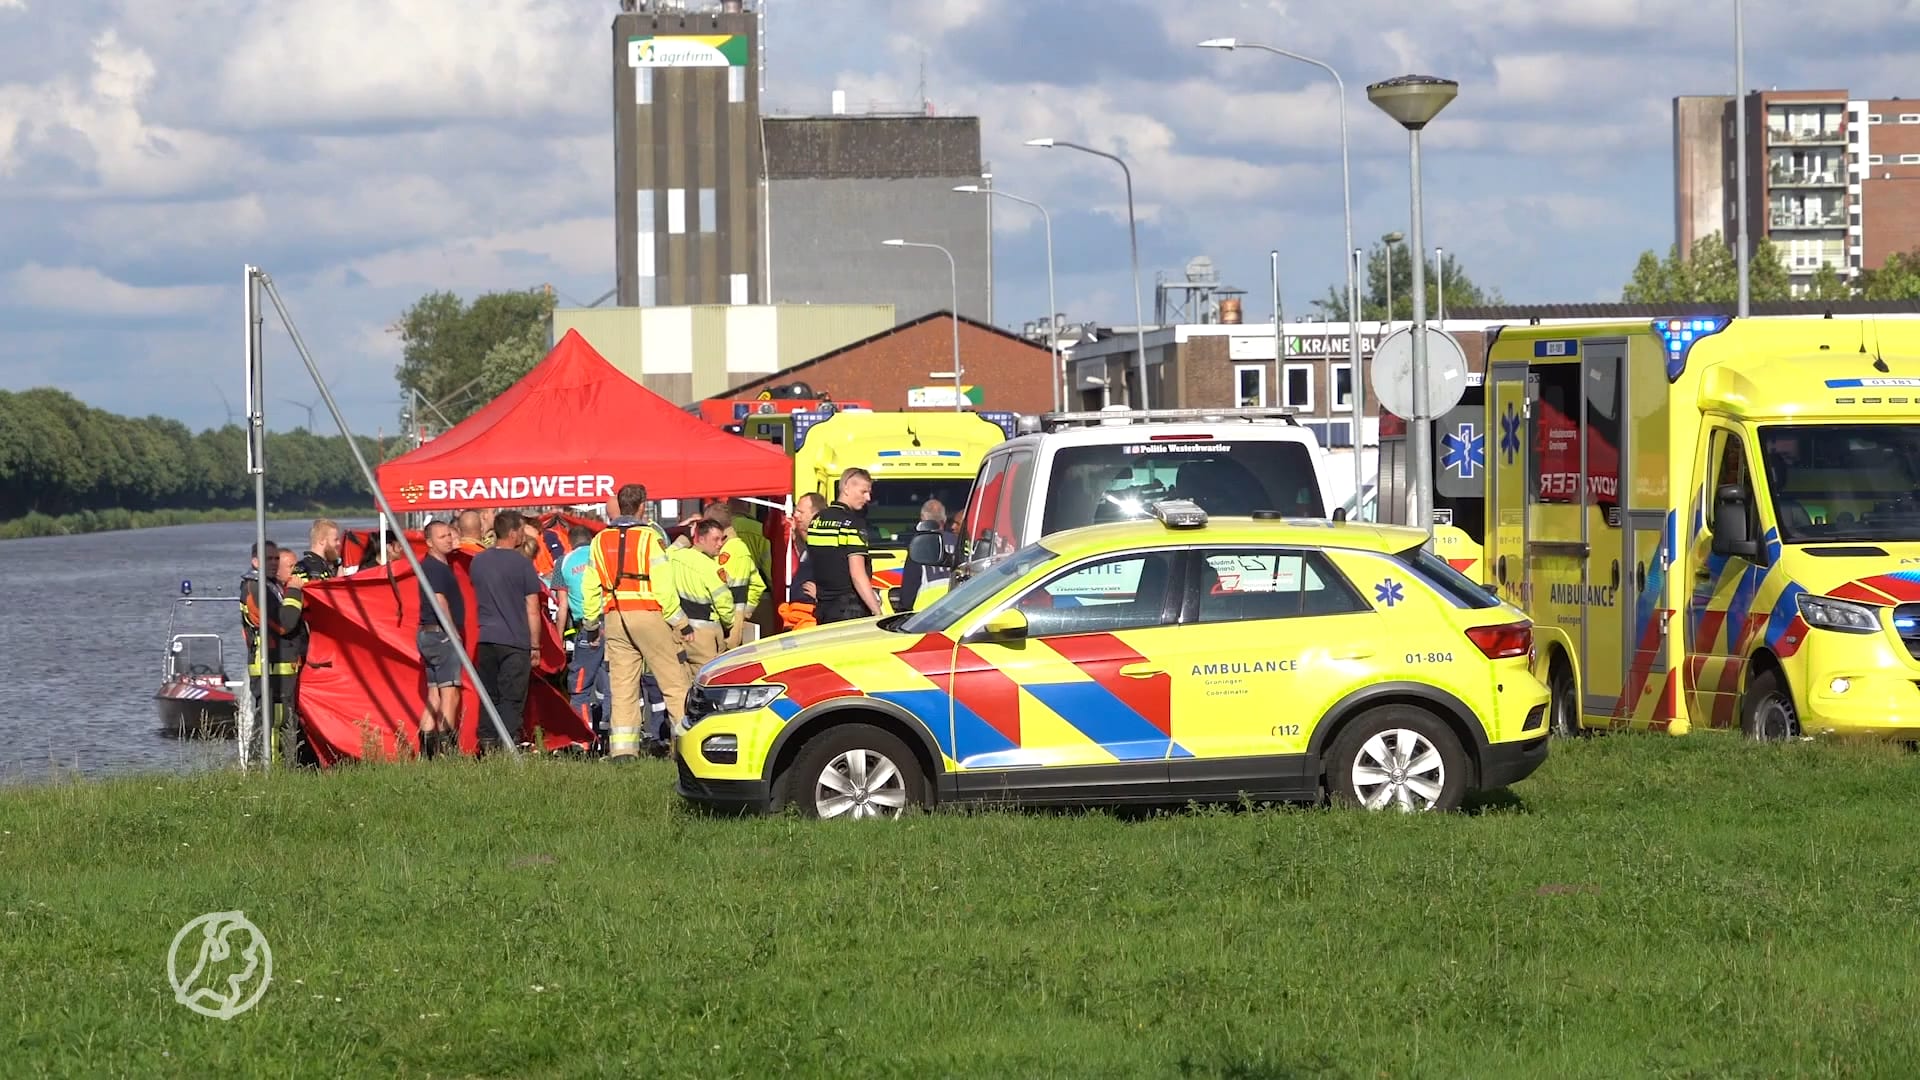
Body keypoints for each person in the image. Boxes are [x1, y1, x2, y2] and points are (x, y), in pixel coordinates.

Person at [588, 482, 693, 760]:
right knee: (673, 681)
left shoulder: (599, 540)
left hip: (614, 617)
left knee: (623, 685)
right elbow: (663, 586)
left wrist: (590, 625)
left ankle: (623, 751)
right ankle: (687, 745)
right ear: (642, 506)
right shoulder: (649, 538)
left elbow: (590, 586)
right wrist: (680, 622)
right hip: (648, 614)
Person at [467, 509, 544, 754]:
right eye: (521, 530)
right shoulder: (523, 564)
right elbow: (533, 609)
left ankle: (487, 743)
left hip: (486, 638)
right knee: (512, 696)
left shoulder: (478, 561)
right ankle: (508, 745)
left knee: (489, 694)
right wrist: (535, 646)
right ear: (513, 533)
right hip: (515, 640)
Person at [240, 541, 306, 760]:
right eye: (268, 559)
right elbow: (284, 622)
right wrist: (295, 592)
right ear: (255, 561)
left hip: (280, 665)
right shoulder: (256, 587)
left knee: (282, 721)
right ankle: (263, 771)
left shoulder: (271, 586)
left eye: (276, 559)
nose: (273, 563)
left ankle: (282, 771)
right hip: (268, 666)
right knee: (269, 722)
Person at [551, 524, 609, 739]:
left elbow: (562, 606)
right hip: (611, 623)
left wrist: (558, 640)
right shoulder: (602, 556)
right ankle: (608, 733)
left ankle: (584, 740)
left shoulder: (563, 562)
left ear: (569, 542)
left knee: (580, 686)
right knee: (610, 681)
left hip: (587, 628)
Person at [415, 520, 466, 759]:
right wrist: (453, 632)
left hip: (428, 634)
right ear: (429, 543)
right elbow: (439, 599)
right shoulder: (435, 567)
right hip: (440, 635)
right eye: (441, 536)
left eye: (449, 535)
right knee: (450, 693)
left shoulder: (437, 564)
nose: (447, 539)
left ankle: (427, 752)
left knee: (434, 694)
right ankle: (448, 752)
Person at [806, 468, 883, 624]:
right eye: (863, 492)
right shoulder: (853, 524)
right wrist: (877, 612)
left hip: (823, 608)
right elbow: (857, 574)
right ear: (846, 488)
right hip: (849, 609)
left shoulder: (816, 521)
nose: (868, 497)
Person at [670, 519, 736, 671]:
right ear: (700, 539)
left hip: (679, 631)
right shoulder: (711, 568)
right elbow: (724, 604)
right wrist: (729, 624)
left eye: (722, 539)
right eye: (715, 539)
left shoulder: (675, 557)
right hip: (704, 636)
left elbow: (671, 549)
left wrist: (686, 536)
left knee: (684, 682)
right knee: (707, 680)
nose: (720, 544)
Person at [704, 503, 767, 648]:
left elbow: (719, 589)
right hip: (730, 619)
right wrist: (744, 613)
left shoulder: (731, 550)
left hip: (726, 622)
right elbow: (758, 584)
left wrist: (743, 614)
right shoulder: (735, 548)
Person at [779, 492, 828, 631]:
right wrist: (794, 533)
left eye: (801, 512)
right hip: (795, 616)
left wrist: (821, 594)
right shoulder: (807, 541)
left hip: (809, 617)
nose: (796, 515)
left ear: (815, 515)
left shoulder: (824, 542)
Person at [898, 498, 956, 611]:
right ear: (944, 519)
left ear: (923, 519)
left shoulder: (919, 545)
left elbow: (910, 586)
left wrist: (903, 611)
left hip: (925, 614)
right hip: (957, 610)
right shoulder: (958, 542)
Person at [727, 498, 773, 580]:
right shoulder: (760, 529)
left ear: (728, 506)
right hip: (754, 584)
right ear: (748, 506)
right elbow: (768, 562)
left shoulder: (721, 528)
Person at [293, 519, 342, 585]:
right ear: (321, 540)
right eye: (335, 540)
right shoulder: (314, 568)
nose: (339, 543)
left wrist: (338, 563)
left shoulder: (306, 564)